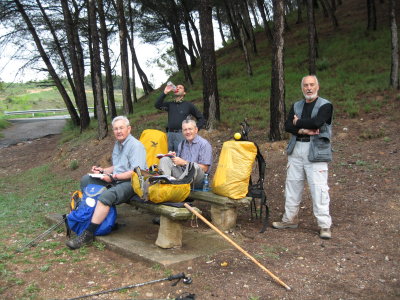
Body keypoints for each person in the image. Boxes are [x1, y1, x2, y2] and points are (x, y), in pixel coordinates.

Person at [66, 116, 147, 249]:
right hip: (118, 178)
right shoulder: (118, 144)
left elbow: (135, 172)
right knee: (87, 180)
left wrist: (113, 177)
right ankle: (94, 217)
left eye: (121, 128)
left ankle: (88, 234)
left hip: (133, 183)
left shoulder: (136, 146)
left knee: (106, 197)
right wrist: (102, 171)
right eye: (115, 129)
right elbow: (117, 166)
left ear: (129, 129)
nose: (118, 131)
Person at [272, 75, 334, 240]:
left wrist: (298, 123)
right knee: (292, 185)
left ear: (317, 86)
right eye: (306, 85)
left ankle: (324, 225)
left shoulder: (326, 105)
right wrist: (302, 130)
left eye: (312, 85)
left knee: (319, 188)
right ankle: (289, 219)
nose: (309, 88)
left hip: (316, 151)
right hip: (296, 148)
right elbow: (286, 126)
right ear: (302, 88)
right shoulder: (297, 105)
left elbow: (317, 123)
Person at [158, 119, 212, 189]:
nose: (188, 132)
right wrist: (172, 157)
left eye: (190, 129)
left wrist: (184, 163)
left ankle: (178, 186)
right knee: (165, 159)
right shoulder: (182, 144)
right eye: (185, 130)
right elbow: (179, 164)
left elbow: (205, 168)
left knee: (194, 167)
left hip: (197, 180)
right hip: (182, 176)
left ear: (196, 130)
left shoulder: (204, 144)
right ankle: (166, 186)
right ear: (182, 132)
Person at [155, 83, 206, 152]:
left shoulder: (188, 105)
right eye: (177, 87)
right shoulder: (170, 104)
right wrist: (165, 92)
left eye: (180, 87)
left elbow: (201, 118)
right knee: (168, 156)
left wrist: (194, 130)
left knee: (181, 158)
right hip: (169, 135)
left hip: (181, 135)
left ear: (184, 93)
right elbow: (157, 105)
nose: (178, 88)